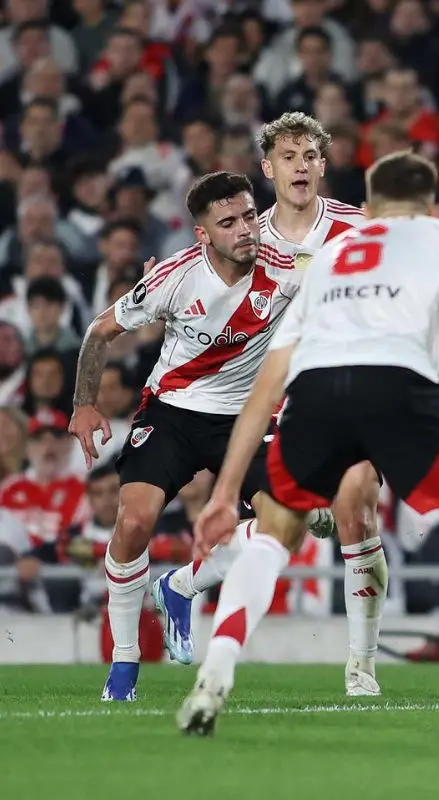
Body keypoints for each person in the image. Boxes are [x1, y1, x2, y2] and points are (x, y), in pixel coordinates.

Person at [183, 151, 439, 742]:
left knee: (273, 537)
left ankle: (215, 671)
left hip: (316, 392)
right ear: (432, 206)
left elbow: (267, 385)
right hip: (401, 383)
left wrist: (227, 490)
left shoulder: (334, 256)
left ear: (367, 210)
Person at [151, 112, 389, 698]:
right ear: (267, 168)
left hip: (352, 393)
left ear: (323, 165)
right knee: (285, 527)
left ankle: (361, 669)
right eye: (288, 157)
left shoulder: (358, 227)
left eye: (309, 155)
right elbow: (197, 289)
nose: (300, 165)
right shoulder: (245, 240)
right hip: (274, 400)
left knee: (358, 501)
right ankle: (182, 585)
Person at [66, 171, 320, 701]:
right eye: (228, 222)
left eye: (250, 215)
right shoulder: (175, 277)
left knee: (287, 526)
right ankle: (126, 661)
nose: (246, 230)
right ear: (203, 234)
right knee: (133, 523)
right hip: (174, 413)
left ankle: (181, 587)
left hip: (247, 418)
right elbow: (99, 330)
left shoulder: (292, 268)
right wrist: (84, 404)